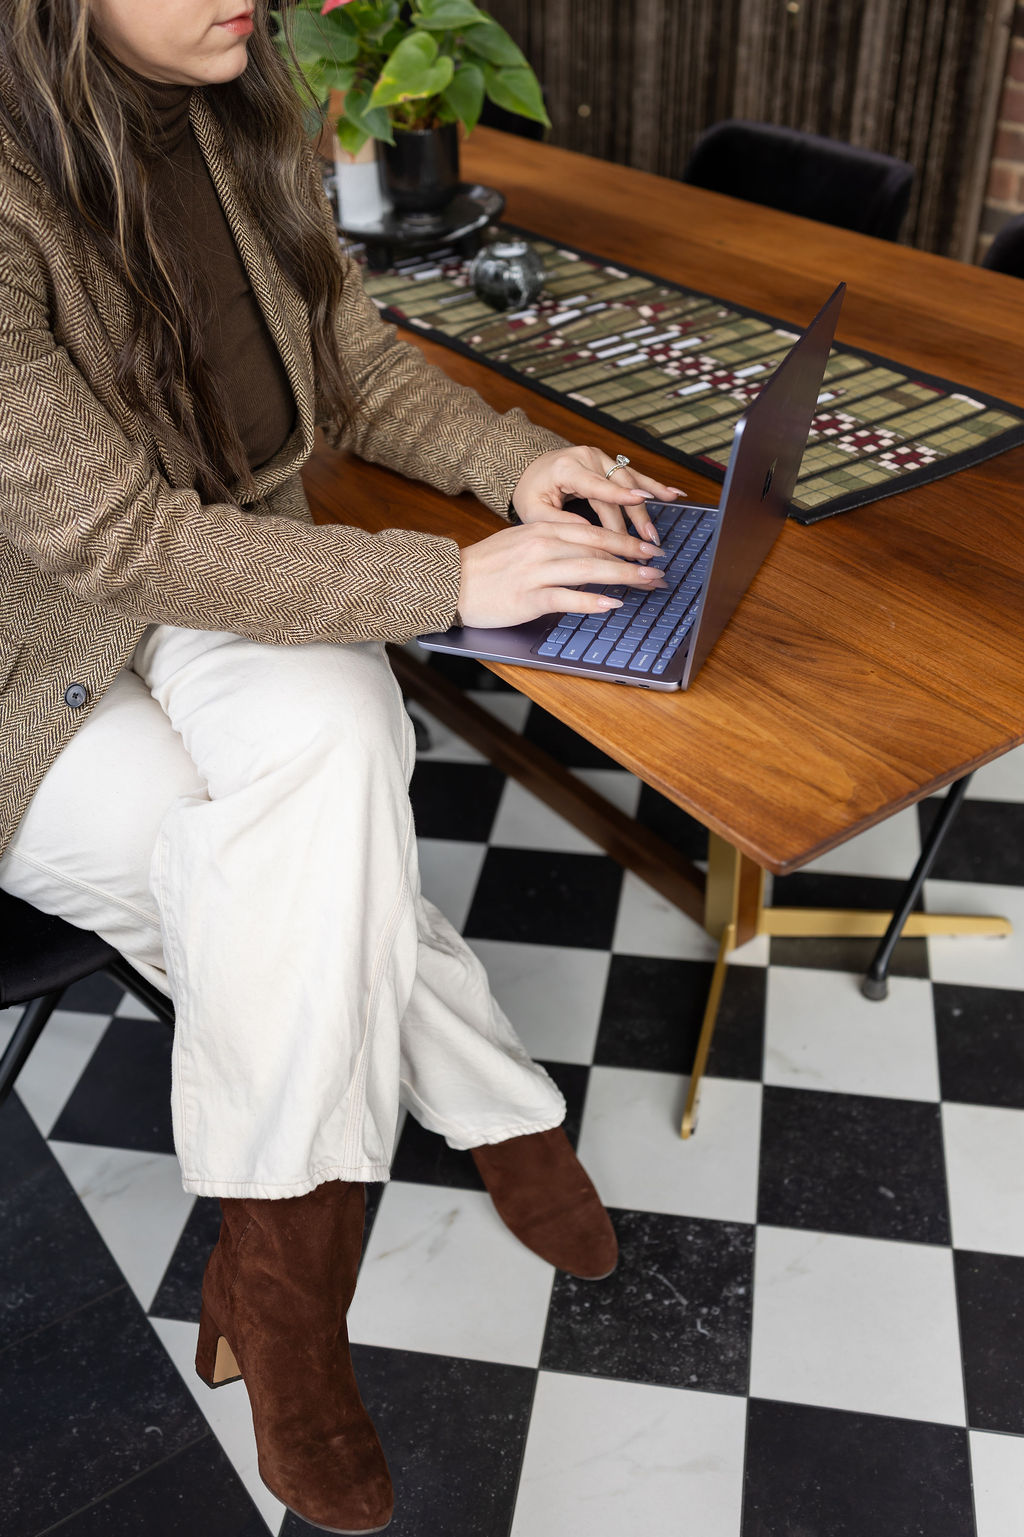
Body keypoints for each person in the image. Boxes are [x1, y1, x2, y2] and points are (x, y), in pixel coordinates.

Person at [0, 4, 682, 1531]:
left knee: (330, 760)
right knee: (272, 853)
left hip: (237, 560)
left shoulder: (249, 109)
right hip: (29, 642)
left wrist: (516, 463)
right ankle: (497, 1101)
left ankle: (276, 1284)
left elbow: (356, 371)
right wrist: (452, 583)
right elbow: (109, 540)